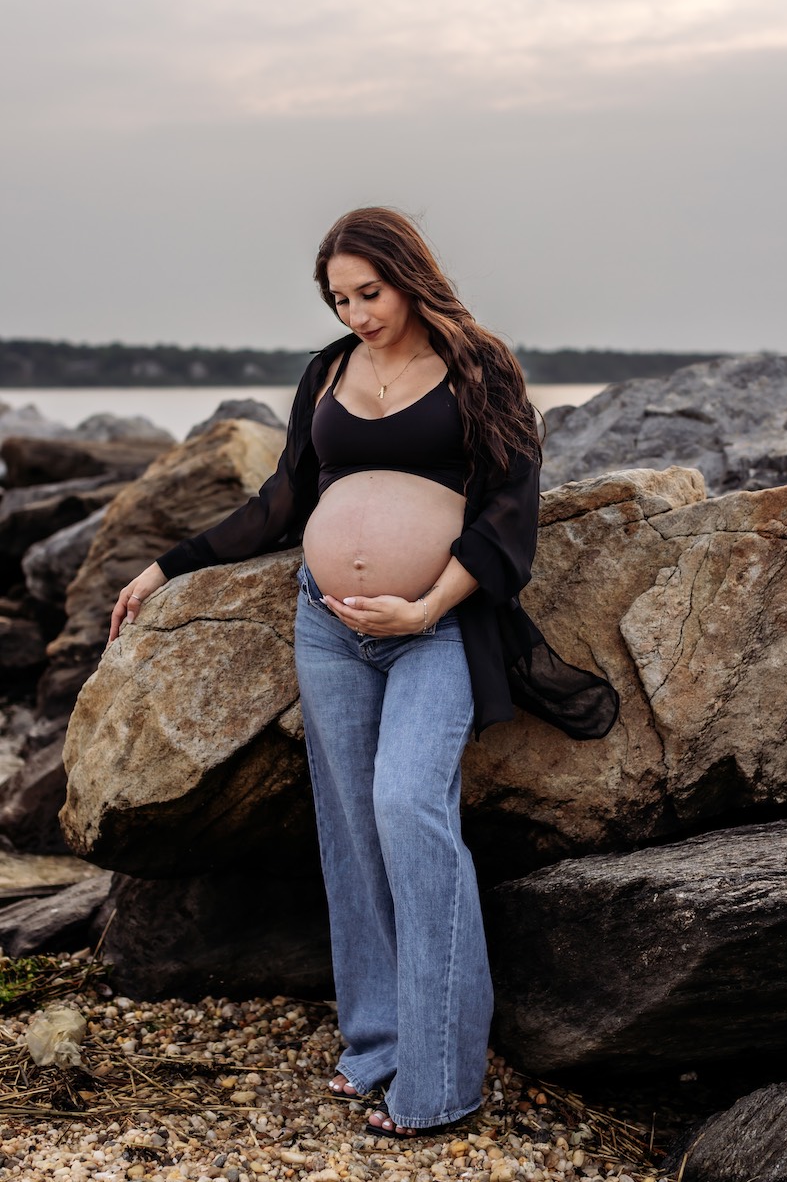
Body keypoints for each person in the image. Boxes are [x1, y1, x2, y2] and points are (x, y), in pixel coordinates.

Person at [108, 207, 542, 1138]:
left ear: (408, 274)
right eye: (340, 299)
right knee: (350, 833)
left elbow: (510, 504)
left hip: (437, 626)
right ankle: (377, 1043)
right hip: (328, 628)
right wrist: (166, 564)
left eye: (369, 293)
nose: (356, 314)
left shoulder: (480, 364)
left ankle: (439, 1082)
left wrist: (428, 604)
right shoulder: (328, 372)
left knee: (408, 812)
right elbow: (284, 499)